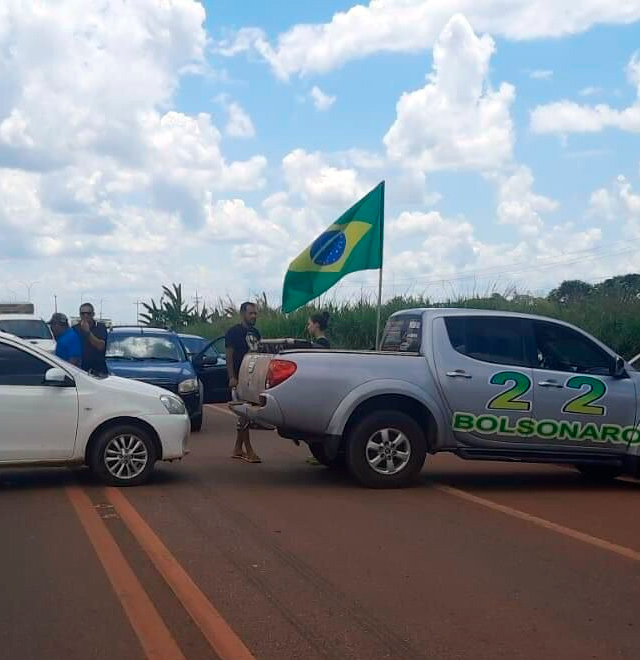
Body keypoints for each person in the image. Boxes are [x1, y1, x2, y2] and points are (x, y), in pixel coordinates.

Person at [225, 302, 262, 463]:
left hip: (252, 378)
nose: (253, 316)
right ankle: (249, 449)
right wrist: (232, 377)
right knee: (244, 414)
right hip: (239, 378)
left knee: (245, 415)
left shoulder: (256, 332)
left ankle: (237, 448)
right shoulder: (233, 332)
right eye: (251, 313)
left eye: (255, 313)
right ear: (243, 314)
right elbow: (229, 356)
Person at [73, 302, 108, 375]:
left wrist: (87, 332)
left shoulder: (100, 327)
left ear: (93, 314)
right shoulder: (74, 329)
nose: (85, 315)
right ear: (80, 315)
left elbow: (100, 346)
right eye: (83, 313)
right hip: (80, 370)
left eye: (88, 313)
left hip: (98, 370)